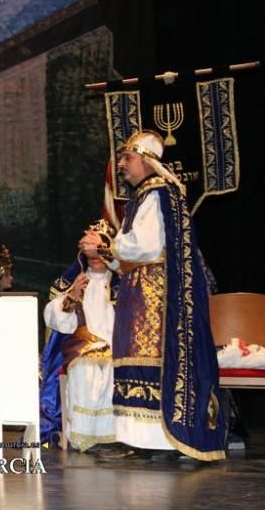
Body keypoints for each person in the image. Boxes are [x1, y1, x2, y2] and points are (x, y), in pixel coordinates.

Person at [81, 130, 225, 461]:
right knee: (136, 359)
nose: (120, 165)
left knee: (151, 359)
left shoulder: (159, 192)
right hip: (141, 291)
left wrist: (104, 245)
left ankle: (158, 440)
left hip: (154, 296)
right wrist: (110, 252)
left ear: (146, 160)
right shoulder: (147, 195)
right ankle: (142, 440)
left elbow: (145, 246)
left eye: (126, 158)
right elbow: (132, 254)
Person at [42, 223, 118, 452]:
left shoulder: (124, 281)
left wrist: (103, 248)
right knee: (88, 367)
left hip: (121, 346)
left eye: (100, 251)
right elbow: (54, 318)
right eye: (91, 253)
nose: (95, 258)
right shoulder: (76, 282)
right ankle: (87, 438)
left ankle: (114, 437)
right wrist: (71, 299)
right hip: (83, 347)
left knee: (115, 367)